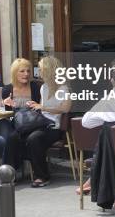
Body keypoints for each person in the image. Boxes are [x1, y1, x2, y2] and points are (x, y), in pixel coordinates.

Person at [25, 56, 72, 187]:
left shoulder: (63, 88)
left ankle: (42, 176)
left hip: (54, 127)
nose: (38, 72)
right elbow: (41, 108)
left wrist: (43, 107)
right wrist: (36, 105)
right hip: (42, 123)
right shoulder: (44, 87)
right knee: (18, 135)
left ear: (48, 70)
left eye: (40, 69)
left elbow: (65, 108)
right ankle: (16, 171)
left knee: (34, 139)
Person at [1, 58, 42, 169]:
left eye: (28, 71)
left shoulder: (35, 87)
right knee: (10, 137)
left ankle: (11, 170)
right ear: (15, 73)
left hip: (32, 123)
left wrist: (36, 105)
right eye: (22, 71)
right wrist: (5, 104)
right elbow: (3, 112)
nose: (26, 74)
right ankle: (9, 171)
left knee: (15, 137)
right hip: (15, 123)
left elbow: (41, 107)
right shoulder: (7, 89)